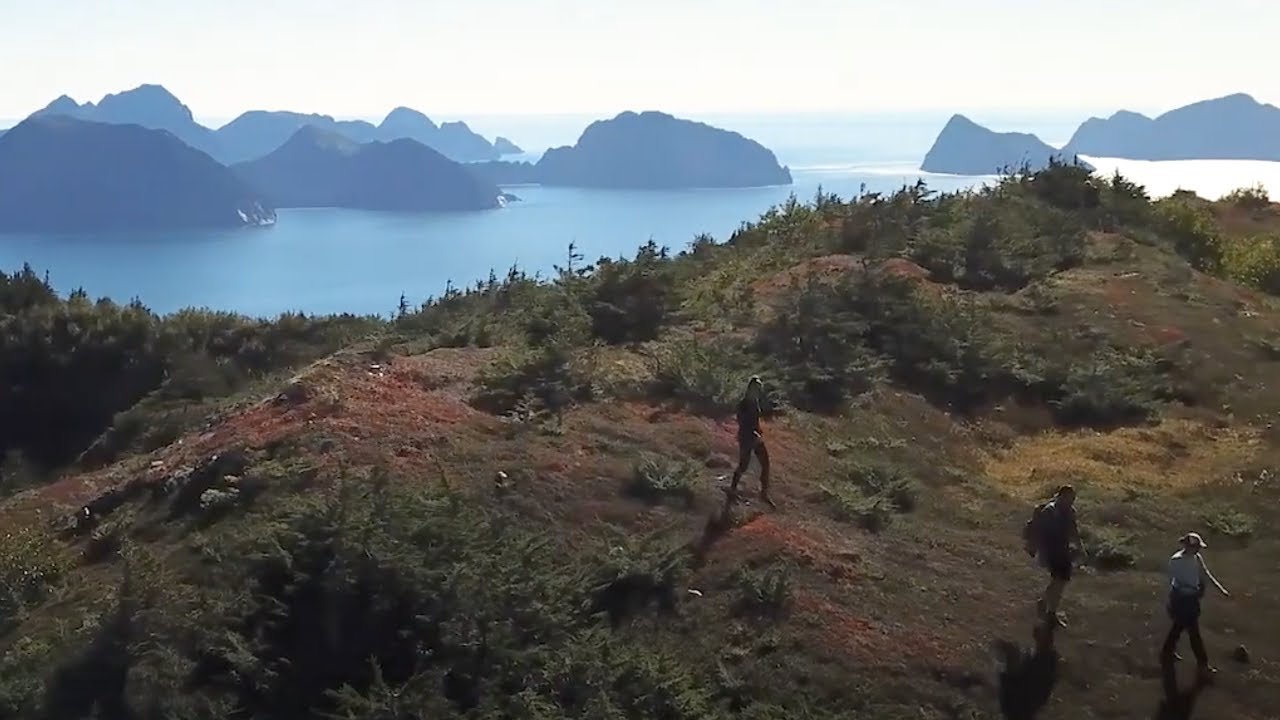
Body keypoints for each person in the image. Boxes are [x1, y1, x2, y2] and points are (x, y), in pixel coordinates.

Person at [1161, 532, 1229, 681]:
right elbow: (1172, 582)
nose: (1198, 550)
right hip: (1182, 600)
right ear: (1188, 546)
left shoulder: (1196, 558)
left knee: (1178, 628)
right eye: (1196, 547)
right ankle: (1202, 665)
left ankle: (1167, 652)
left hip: (1192, 599)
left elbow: (1205, 574)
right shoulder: (1176, 561)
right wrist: (1173, 600)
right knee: (1193, 633)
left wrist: (1221, 590)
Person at [1026, 485, 1080, 628]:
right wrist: (1035, 547)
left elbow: (1073, 531)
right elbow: (1039, 531)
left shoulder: (1070, 511)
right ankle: (1049, 610)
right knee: (1059, 581)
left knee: (1060, 582)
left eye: (1072, 499)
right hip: (1051, 551)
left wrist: (1080, 547)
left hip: (1063, 551)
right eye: (1069, 498)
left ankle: (1047, 606)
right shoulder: (1050, 511)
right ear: (1061, 496)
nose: (1071, 501)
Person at [729, 376, 774, 507]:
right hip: (746, 437)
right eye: (756, 388)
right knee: (744, 465)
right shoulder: (744, 404)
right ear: (750, 388)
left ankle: (763, 494)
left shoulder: (755, 402)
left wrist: (758, 430)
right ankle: (733, 490)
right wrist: (753, 433)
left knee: (765, 463)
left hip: (754, 437)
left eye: (759, 388)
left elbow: (755, 421)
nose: (758, 391)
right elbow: (742, 422)